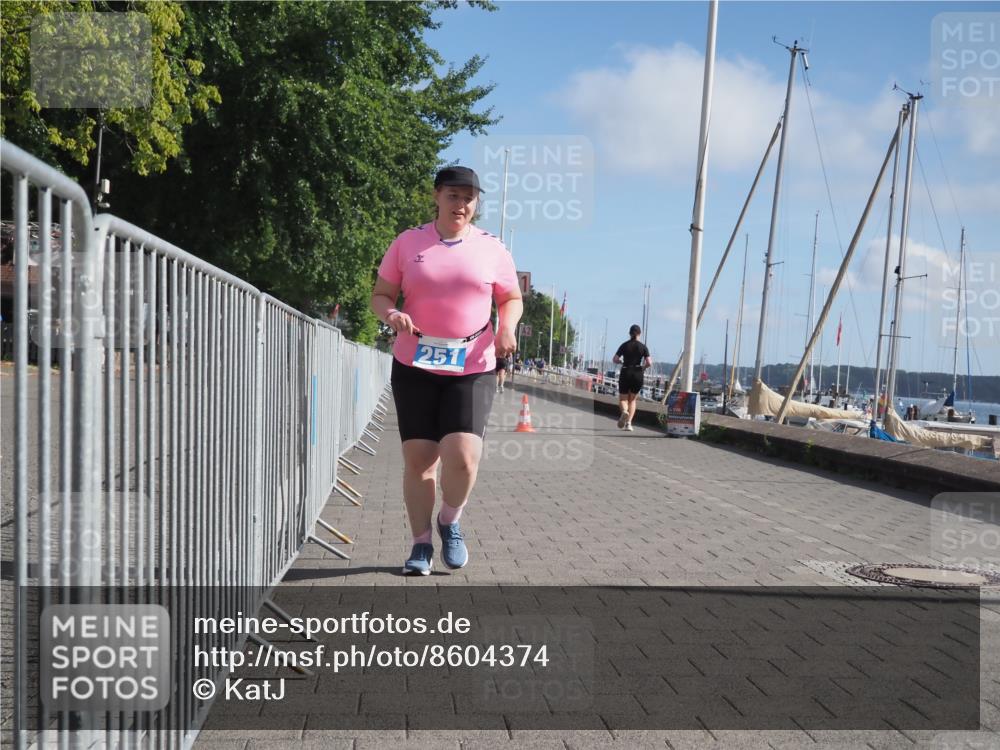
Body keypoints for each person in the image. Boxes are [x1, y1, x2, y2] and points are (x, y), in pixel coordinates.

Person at [370, 166, 522, 575]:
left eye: (470, 197)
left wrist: (506, 327)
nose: (462, 204)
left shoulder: (493, 248)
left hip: (473, 364)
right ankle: (420, 545)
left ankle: (449, 520)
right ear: (436, 196)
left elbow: (510, 298)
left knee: (464, 457)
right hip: (415, 362)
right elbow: (381, 295)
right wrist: (394, 315)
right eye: (454, 195)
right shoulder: (407, 242)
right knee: (420, 460)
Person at [612, 324, 651, 431]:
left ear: (629, 333)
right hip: (638, 373)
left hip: (626, 371)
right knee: (633, 400)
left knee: (623, 399)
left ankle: (625, 411)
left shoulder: (624, 345)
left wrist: (620, 362)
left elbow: (615, 359)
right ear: (639, 334)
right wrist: (643, 368)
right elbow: (649, 362)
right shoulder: (643, 347)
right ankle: (629, 424)